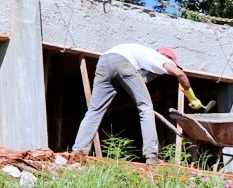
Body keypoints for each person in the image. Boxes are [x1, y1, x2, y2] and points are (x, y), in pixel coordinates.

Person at [71, 43, 204, 163]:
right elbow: (179, 74)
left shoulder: (144, 55)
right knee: (145, 108)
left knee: (95, 110)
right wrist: (192, 97)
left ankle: (78, 151)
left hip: (104, 61)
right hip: (123, 62)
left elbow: (138, 78)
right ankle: (152, 155)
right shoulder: (162, 59)